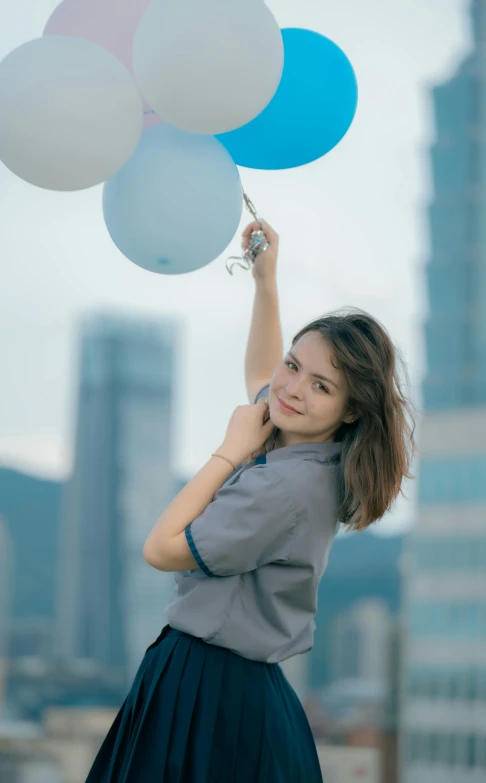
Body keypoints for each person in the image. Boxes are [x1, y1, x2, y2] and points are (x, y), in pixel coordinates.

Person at [85, 220, 417, 783]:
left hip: (209, 690)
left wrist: (228, 451)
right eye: (295, 366)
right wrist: (266, 284)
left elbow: (161, 549)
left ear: (351, 410)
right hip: (228, 683)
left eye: (322, 386)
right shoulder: (307, 448)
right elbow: (260, 377)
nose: (291, 389)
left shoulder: (284, 487)